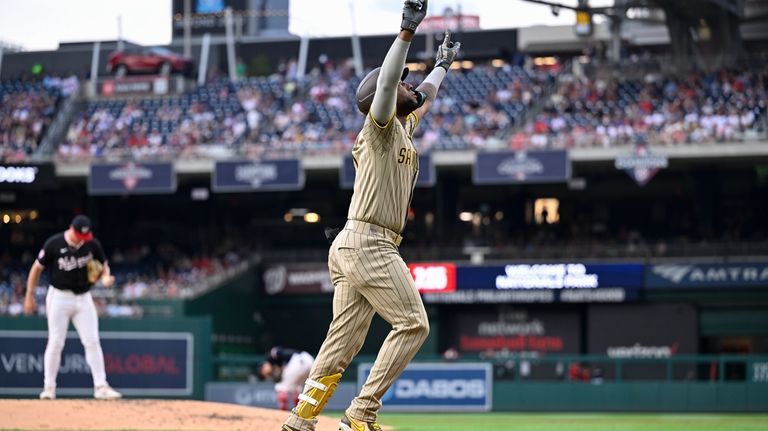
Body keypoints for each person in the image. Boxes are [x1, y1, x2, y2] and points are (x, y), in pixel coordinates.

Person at [280, 1, 461, 430]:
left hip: (351, 244)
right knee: (413, 325)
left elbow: (425, 98)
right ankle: (360, 414)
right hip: (370, 242)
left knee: (344, 339)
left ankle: (302, 418)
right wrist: (405, 32)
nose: (408, 84)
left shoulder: (402, 125)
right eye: (401, 82)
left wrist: (441, 68)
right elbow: (385, 89)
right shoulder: (378, 125)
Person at [23, 215, 122, 400]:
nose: (81, 239)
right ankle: (49, 388)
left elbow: (103, 265)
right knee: (56, 342)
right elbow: (36, 268)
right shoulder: (54, 243)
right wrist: (29, 295)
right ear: (71, 229)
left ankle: (101, 387)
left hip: (84, 297)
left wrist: (106, 276)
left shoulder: (92, 244)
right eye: (79, 235)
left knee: (92, 341)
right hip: (59, 297)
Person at [258, 347, 315, 411]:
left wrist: (283, 365)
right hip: (309, 361)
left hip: (298, 360)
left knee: (280, 386)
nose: (268, 374)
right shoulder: (274, 365)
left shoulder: (270, 358)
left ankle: (283, 412)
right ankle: (300, 411)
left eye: (264, 373)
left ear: (263, 367)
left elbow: (278, 351)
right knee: (295, 388)